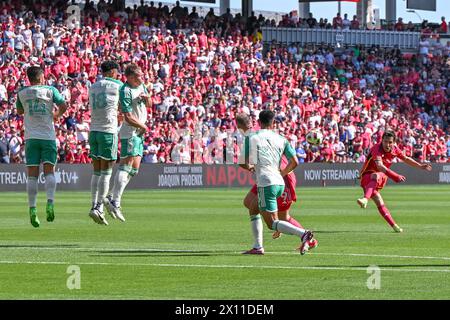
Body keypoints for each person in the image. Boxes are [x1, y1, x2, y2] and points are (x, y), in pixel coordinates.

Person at [236, 113, 317, 254]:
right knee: (253, 207)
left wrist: (251, 167)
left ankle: (304, 234)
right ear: (273, 123)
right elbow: (295, 162)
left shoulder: (252, 137)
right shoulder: (281, 139)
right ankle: (257, 246)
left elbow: (242, 162)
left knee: (272, 223)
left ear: (259, 122)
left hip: (266, 183)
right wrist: (283, 173)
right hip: (280, 182)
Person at [16, 66, 67, 227]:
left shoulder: (22, 93)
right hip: (48, 137)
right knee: (49, 171)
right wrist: (56, 115)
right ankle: (50, 202)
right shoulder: (50, 90)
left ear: (29, 78)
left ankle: (32, 209)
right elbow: (63, 105)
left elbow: (19, 111)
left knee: (32, 174)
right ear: (41, 77)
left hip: (31, 137)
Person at [357, 130, 432, 232]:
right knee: (379, 201)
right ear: (382, 140)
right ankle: (394, 226)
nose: (387, 144)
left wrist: (420, 165)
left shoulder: (395, 149)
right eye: (385, 141)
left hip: (379, 176)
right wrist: (395, 176)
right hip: (366, 177)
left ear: (393, 142)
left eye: (390, 142)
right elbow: (380, 166)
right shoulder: (376, 149)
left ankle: (365, 199)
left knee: (375, 175)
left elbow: (406, 159)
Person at [105, 64, 150, 220]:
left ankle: (111, 196)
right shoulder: (125, 91)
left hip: (139, 132)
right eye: (139, 76)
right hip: (130, 131)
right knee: (126, 164)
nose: (142, 78)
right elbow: (128, 117)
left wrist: (148, 99)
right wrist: (142, 125)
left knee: (134, 169)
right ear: (130, 77)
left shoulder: (142, 86)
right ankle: (115, 202)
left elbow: (149, 105)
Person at [88, 60, 123, 225]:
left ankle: (94, 205)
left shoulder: (93, 86)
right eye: (116, 72)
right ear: (111, 72)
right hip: (108, 131)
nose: (118, 75)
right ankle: (99, 206)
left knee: (96, 172)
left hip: (93, 131)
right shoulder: (117, 85)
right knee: (106, 172)